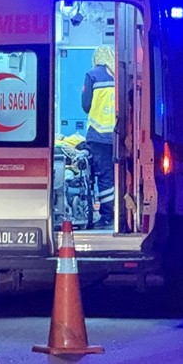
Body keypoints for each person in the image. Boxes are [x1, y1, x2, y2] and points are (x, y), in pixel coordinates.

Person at [82, 45, 117, 228]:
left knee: (105, 177)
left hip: (98, 136)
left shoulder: (92, 75)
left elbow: (86, 105)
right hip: (118, 136)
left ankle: (106, 217)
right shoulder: (118, 74)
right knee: (119, 176)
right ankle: (120, 214)